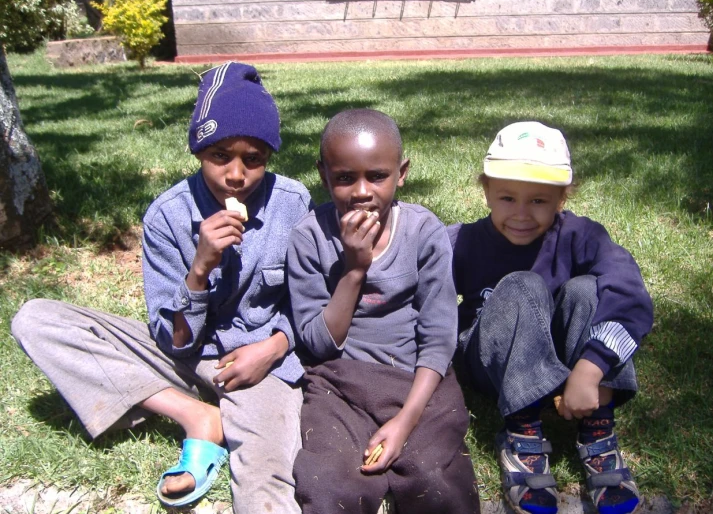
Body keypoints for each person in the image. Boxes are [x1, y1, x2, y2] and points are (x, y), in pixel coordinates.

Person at [11, 62, 311, 514]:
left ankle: (231, 420)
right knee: (36, 319)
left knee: (266, 479)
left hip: (260, 365)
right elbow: (172, 337)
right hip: (185, 354)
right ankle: (196, 415)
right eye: (220, 156)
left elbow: (310, 299)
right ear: (198, 152)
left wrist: (274, 347)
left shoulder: (293, 202)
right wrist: (199, 269)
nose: (236, 174)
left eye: (254, 159)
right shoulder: (168, 215)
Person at [448, 121, 652, 514]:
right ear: (486, 190)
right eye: (507, 198)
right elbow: (414, 283)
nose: (521, 214)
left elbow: (630, 292)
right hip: (492, 363)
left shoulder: (582, 235)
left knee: (588, 290)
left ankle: (598, 430)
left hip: (568, 362)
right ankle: (522, 436)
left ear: (562, 198)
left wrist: (592, 368)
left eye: (539, 201)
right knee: (523, 285)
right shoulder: (464, 242)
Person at [287, 109, 481, 514]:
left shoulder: (422, 232)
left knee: (435, 480)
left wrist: (405, 422)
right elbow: (318, 343)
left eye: (377, 176)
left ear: (402, 172)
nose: (361, 191)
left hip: (417, 381)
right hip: (341, 383)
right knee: (329, 485)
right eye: (344, 178)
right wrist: (354, 268)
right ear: (323, 176)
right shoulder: (311, 238)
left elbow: (438, 337)